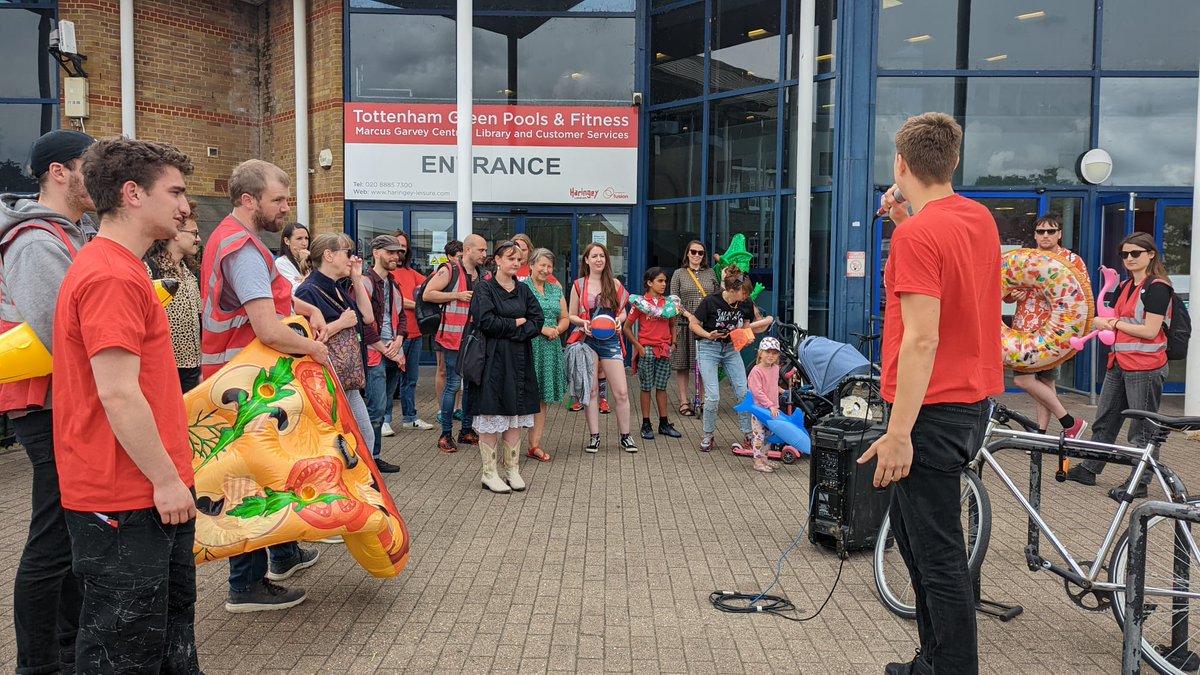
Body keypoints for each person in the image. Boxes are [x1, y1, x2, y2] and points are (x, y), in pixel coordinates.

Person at [861, 112, 1002, 675]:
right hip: (970, 401)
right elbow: (947, 268)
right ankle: (935, 659)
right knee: (921, 546)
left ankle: (949, 667)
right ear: (955, 161)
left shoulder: (919, 235)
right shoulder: (979, 218)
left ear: (900, 164)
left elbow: (921, 339)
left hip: (927, 411)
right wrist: (905, 219)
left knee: (937, 555)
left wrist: (898, 433)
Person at [54, 137, 201, 673]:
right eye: (177, 192)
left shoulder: (124, 267)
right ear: (133, 193)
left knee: (165, 637)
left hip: (145, 491)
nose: (186, 207)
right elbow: (117, 392)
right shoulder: (111, 274)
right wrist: (165, 480)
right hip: (125, 496)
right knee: (123, 648)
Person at [200, 159, 329, 613]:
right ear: (248, 200)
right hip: (243, 383)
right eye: (278, 199)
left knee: (271, 471)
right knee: (249, 480)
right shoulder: (243, 248)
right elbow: (268, 329)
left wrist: (303, 305)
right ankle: (246, 584)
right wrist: (314, 350)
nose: (285, 208)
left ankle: (284, 552)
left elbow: (268, 296)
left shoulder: (242, 242)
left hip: (247, 379)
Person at [0, 129, 93, 675]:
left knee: (65, 535)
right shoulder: (37, 241)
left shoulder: (66, 234)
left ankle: (65, 648)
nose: (98, 174)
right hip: (47, 405)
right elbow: (65, 332)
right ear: (58, 172)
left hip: (60, 401)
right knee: (53, 539)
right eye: (89, 163)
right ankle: (39, 664)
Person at [1066, 232, 1172, 500]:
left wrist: (1112, 324)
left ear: (1150, 254)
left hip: (1145, 367)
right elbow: (1111, 316)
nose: (1129, 258)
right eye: (1125, 254)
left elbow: (1150, 330)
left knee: (1142, 429)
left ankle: (1140, 481)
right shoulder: (1126, 286)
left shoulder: (1158, 287)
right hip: (1120, 363)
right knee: (1106, 420)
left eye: (1135, 253)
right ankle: (1090, 468)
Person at [295, 233, 385, 470]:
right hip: (326, 383)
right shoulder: (308, 292)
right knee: (343, 439)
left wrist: (356, 278)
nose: (352, 258)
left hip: (347, 380)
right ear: (328, 255)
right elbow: (303, 339)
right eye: (347, 253)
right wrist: (340, 323)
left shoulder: (337, 288)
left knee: (365, 435)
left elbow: (367, 317)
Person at [467, 240, 544, 493]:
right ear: (497, 260)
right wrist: (515, 323)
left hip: (520, 359)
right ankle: (489, 474)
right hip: (493, 361)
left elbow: (537, 319)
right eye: (511, 258)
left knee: (514, 416)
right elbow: (486, 321)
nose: (516, 263)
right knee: (492, 412)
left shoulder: (523, 290)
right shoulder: (484, 289)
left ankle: (512, 470)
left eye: (519, 259)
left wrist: (517, 329)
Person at [1006, 213, 1088, 438]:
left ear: (1059, 234)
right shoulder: (1026, 259)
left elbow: (1081, 297)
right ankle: (1063, 425)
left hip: (1056, 333)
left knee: (1041, 380)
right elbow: (1006, 294)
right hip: (1024, 329)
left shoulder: (1071, 261)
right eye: (1041, 231)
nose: (1045, 235)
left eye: (1050, 231)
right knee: (1030, 381)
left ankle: (1049, 429)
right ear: (1034, 235)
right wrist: (1013, 295)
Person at [690, 268, 773, 452]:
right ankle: (708, 434)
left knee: (743, 392)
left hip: (730, 349)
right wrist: (708, 335)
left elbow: (745, 326)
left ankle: (748, 434)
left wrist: (745, 336)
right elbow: (693, 324)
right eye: (744, 293)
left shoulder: (745, 303)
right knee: (713, 396)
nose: (746, 296)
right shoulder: (711, 301)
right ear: (732, 290)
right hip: (708, 346)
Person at [568, 242, 637, 453]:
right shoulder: (579, 285)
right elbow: (570, 315)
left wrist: (619, 321)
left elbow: (624, 312)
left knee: (622, 393)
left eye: (602, 256)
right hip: (588, 341)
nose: (599, 260)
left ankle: (626, 436)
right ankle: (594, 437)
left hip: (611, 340)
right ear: (586, 260)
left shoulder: (614, 284)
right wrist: (583, 323)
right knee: (591, 392)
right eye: (594, 256)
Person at [424, 233, 487, 452]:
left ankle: (467, 430)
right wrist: (457, 296)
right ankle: (445, 434)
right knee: (453, 384)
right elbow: (428, 294)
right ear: (468, 250)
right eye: (481, 250)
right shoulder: (448, 270)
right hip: (452, 338)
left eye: (486, 251)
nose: (484, 254)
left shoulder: (484, 274)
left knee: (471, 385)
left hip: (474, 340)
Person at [145, 198, 203, 392]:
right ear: (176, 233)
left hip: (192, 369)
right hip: (164, 369)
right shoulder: (150, 269)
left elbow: (198, 319)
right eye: (194, 233)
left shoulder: (189, 273)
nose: (198, 239)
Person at [360, 235, 409, 460]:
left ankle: (375, 457)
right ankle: (369, 460)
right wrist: (384, 348)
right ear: (376, 253)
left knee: (383, 406)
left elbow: (401, 316)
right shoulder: (365, 282)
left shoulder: (392, 282)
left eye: (397, 252)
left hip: (390, 351)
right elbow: (362, 322)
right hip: (374, 353)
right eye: (390, 252)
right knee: (376, 409)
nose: (396, 257)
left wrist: (398, 340)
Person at [383, 230, 434, 433]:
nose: (400, 251)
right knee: (391, 380)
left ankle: (409, 417)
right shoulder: (388, 274)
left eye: (403, 247)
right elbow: (398, 301)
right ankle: (384, 419)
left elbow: (430, 285)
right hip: (397, 335)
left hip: (416, 333)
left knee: (411, 380)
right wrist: (419, 304)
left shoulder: (412, 273)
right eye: (396, 247)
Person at [624, 266, 683, 441]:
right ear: (649, 283)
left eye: (665, 281)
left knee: (662, 387)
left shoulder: (668, 304)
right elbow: (626, 328)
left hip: (664, 350)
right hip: (646, 349)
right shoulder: (641, 303)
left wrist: (673, 343)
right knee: (645, 387)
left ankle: (664, 423)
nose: (664, 284)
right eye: (660, 281)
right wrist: (638, 347)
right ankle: (646, 423)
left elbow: (673, 324)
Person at [525, 247, 568, 461]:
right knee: (523, 395)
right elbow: (519, 316)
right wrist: (542, 329)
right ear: (531, 265)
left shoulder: (555, 289)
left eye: (549, 266)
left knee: (542, 398)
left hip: (550, 347)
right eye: (542, 264)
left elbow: (565, 317)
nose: (546, 269)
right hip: (528, 345)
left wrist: (557, 330)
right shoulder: (521, 288)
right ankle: (509, 444)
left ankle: (534, 445)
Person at [670, 239, 719, 418]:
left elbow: (717, 297)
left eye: (700, 253)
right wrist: (689, 315)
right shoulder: (679, 273)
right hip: (684, 324)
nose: (697, 255)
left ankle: (704, 400)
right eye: (693, 252)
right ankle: (683, 401)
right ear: (687, 253)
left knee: (704, 363)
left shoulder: (711, 273)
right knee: (683, 364)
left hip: (705, 325)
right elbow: (674, 300)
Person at [745, 338, 792, 473]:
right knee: (758, 435)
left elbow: (771, 385)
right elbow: (757, 391)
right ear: (760, 353)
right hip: (760, 409)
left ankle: (765, 458)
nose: (771, 356)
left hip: (772, 409)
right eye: (767, 352)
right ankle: (757, 461)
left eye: (774, 353)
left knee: (768, 435)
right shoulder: (756, 371)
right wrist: (770, 405)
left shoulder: (775, 368)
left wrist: (782, 391)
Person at [275, 222, 309, 290]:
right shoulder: (281, 263)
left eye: (306, 238)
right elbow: (294, 290)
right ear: (287, 241)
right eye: (299, 238)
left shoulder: (312, 261)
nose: (304, 243)